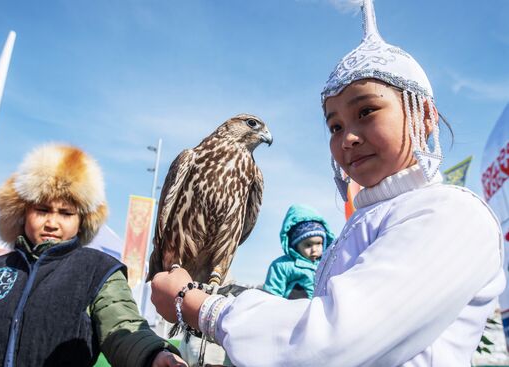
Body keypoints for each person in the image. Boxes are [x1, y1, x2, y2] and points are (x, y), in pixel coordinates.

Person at [150, 0, 506, 366]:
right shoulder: (365, 221)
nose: (348, 137)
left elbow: (332, 340)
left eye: (366, 111)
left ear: (425, 116)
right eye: (335, 126)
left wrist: (204, 309)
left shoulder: (453, 215)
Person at [0, 144, 187, 367]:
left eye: (66, 213)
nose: (52, 223)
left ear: (82, 221)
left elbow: (122, 326)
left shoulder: (97, 270)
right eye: (42, 210)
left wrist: (154, 354)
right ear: (22, 211)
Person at [263, 204, 334, 299]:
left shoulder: (328, 265)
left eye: (318, 243)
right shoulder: (283, 265)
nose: (314, 249)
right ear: (295, 245)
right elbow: (272, 294)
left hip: (321, 311)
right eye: (308, 245)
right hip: (294, 311)